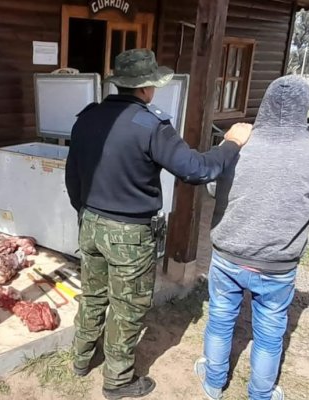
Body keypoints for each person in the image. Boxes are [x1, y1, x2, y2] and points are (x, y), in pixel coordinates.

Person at [65, 48, 253, 400]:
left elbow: (72, 174)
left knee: (92, 294)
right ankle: (118, 381)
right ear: (147, 87)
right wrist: (231, 143)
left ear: (118, 83)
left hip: (90, 222)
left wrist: (85, 212)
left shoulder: (88, 117)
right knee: (127, 306)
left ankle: (80, 358)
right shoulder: (151, 125)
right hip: (130, 233)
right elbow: (198, 169)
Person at [196, 75, 309, 400]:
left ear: (266, 103)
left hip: (229, 254)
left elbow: (213, 187)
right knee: (271, 331)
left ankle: (214, 383)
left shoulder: (239, 143)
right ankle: (261, 393)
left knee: (220, 315)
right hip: (279, 263)